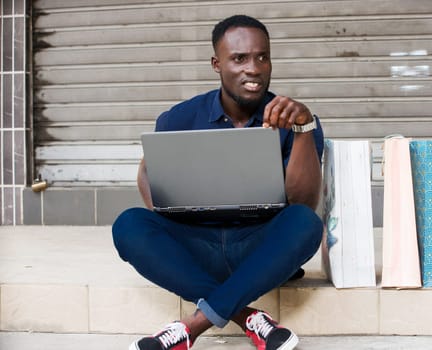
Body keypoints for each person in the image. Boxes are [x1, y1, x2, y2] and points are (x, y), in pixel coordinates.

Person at [112, 14, 324, 350]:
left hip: (260, 249)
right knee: (129, 225)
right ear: (217, 63)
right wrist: (165, 197)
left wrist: (303, 129)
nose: (253, 68)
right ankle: (248, 317)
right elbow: (148, 177)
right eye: (239, 58)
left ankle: (191, 329)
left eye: (262, 57)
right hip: (197, 247)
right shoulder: (179, 118)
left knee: (306, 224)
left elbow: (303, 202)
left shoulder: (293, 117)